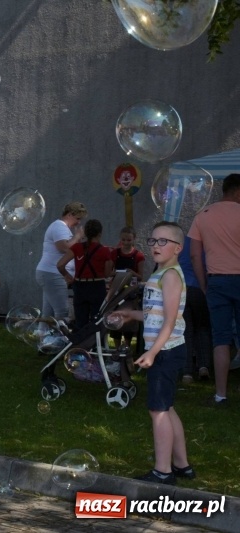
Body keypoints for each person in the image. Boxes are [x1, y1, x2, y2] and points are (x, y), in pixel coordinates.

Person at [110, 221, 192, 485]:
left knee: (157, 411)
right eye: (153, 241)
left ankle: (162, 471)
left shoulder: (170, 276)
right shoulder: (161, 273)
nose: (156, 246)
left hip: (165, 351)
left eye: (163, 241)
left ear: (178, 247)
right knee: (166, 408)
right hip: (167, 350)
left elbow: (169, 320)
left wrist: (152, 353)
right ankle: (182, 465)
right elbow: (155, 314)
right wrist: (129, 314)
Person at [188, 173, 240, 406]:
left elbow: (194, 255)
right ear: (238, 192)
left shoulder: (203, 215)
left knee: (221, 338)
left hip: (216, 281)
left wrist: (203, 283)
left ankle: (221, 394)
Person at [56, 219, 113, 331]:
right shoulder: (105, 251)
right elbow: (106, 274)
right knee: (97, 321)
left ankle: (80, 345)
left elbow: (60, 265)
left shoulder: (77, 247)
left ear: (86, 233)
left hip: (80, 286)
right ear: (100, 234)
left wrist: (68, 277)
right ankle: (96, 346)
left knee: (80, 322)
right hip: (97, 286)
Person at [35, 202, 87, 321]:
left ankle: (44, 335)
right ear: (69, 214)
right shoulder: (59, 226)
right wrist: (77, 236)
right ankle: (61, 338)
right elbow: (64, 247)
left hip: (50, 273)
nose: (79, 222)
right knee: (62, 311)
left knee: (48, 312)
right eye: (78, 218)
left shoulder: (63, 228)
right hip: (53, 273)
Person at [179, 236, 212, 384]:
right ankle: (203, 366)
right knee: (203, 328)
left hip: (182, 288)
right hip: (200, 288)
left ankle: (187, 372)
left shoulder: (183, 241)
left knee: (186, 331)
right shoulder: (209, 241)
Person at [108, 225, 145, 353]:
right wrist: (119, 273)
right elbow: (108, 273)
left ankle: (127, 347)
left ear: (134, 239)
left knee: (129, 322)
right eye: (123, 240)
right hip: (116, 290)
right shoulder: (114, 253)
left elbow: (141, 276)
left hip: (130, 292)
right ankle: (117, 348)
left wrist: (131, 273)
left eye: (128, 240)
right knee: (115, 318)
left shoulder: (138, 255)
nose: (126, 243)